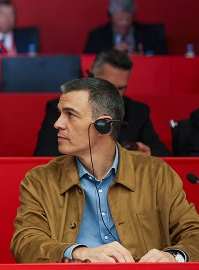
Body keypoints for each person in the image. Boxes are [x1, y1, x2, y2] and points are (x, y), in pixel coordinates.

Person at [11, 77, 199, 263]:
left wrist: (174, 256)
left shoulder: (155, 174)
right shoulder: (40, 180)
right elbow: (25, 242)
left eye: (70, 115)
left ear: (103, 125)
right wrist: (79, 253)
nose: (57, 123)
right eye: (60, 114)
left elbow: (194, 233)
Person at [33, 49, 169, 157]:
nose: (115, 95)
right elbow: (43, 154)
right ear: (91, 77)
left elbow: (164, 153)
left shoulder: (137, 112)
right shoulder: (61, 108)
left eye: (121, 88)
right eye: (109, 86)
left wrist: (147, 153)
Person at [84, 0, 166, 55]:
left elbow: (162, 61)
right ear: (111, 17)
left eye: (128, 18)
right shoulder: (97, 37)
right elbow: (89, 64)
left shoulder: (150, 35)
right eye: (120, 19)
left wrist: (144, 59)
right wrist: (110, 56)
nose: (125, 23)